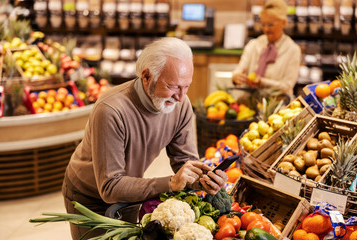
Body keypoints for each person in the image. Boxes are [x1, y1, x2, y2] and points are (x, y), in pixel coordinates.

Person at [62, 37, 228, 240]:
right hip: (88, 197)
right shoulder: (111, 110)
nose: (180, 97)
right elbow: (109, 187)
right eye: (173, 86)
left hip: (128, 189)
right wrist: (170, 182)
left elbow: (186, 163)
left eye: (187, 87)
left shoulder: (181, 105)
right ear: (147, 76)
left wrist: (203, 179)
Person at [232, 0, 301, 100]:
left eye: (270, 25)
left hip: (278, 105)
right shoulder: (254, 45)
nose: (266, 29)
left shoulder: (292, 49)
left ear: (283, 23)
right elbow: (240, 69)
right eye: (263, 24)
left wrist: (262, 82)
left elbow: (287, 85)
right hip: (250, 103)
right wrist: (236, 77)